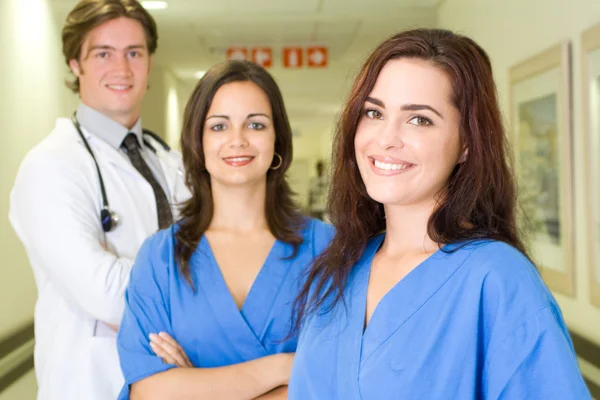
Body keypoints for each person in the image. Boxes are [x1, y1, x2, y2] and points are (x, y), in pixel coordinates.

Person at [289, 29, 591, 399]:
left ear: (466, 143)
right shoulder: (339, 267)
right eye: (374, 112)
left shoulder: (497, 280)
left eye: (419, 119)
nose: (386, 138)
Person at [116, 60, 334, 400]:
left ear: (277, 139)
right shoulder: (160, 258)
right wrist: (282, 369)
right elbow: (148, 391)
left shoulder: (325, 249)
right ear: (197, 142)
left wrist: (196, 387)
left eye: (256, 125)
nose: (237, 140)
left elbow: (337, 380)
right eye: (218, 127)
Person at [8, 1, 190, 399]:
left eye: (134, 53)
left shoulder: (170, 162)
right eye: (103, 53)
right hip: (93, 385)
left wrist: (130, 269)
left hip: (177, 383)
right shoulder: (51, 166)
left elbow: (220, 260)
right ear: (76, 64)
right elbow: (107, 296)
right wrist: (192, 284)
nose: (122, 69)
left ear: (149, 61)